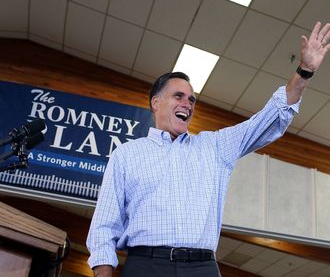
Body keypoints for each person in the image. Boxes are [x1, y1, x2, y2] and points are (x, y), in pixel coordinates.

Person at [86, 21, 330, 277]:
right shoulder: (127, 154)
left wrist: (304, 72)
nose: (187, 104)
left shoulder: (214, 147)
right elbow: (104, 226)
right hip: (146, 265)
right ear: (156, 103)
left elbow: (268, 119)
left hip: (201, 268)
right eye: (178, 96)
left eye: (191, 99)